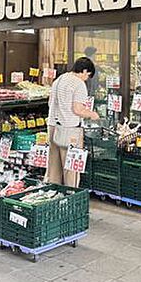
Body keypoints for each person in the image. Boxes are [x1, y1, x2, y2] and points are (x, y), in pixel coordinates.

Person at [46, 57, 99, 187]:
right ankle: (71, 193)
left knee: (54, 166)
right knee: (71, 168)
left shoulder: (59, 79)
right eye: (88, 75)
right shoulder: (79, 84)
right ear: (84, 71)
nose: (87, 78)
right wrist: (92, 115)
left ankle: (53, 191)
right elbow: (77, 109)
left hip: (52, 126)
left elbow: (50, 102)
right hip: (69, 130)